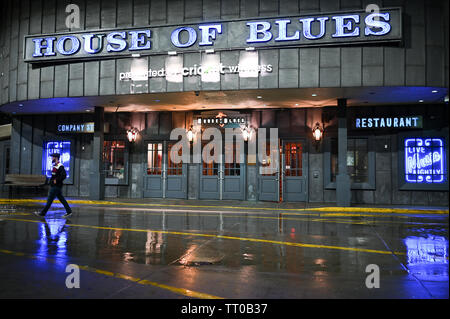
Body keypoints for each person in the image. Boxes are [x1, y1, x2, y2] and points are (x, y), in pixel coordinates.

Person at [34, 153, 72, 218]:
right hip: (55, 186)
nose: (51, 158)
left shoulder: (60, 166)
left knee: (49, 200)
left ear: (56, 158)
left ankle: (43, 213)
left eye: (52, 157)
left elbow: (64, 175)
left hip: (56, 186)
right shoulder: (55, 165)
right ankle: (69, 211)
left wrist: (56, 180)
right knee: (61, 199)